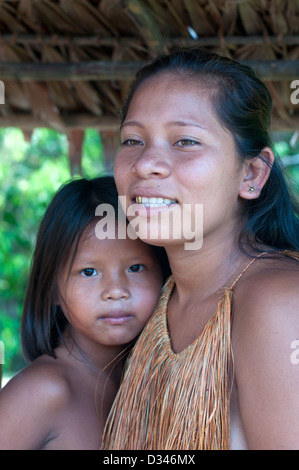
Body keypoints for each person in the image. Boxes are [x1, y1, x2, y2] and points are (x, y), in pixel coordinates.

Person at [102, 48, 299, 450]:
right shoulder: (157, 296)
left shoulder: (277, 303)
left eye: (186, 141)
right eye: (133, 140)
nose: (146, 164)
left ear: (251, 174)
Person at [0, 176, 166, 450]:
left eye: (135, 267)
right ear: (52, 288)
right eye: (89, 272)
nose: (116, 290)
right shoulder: (44, 391)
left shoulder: (152, 385)